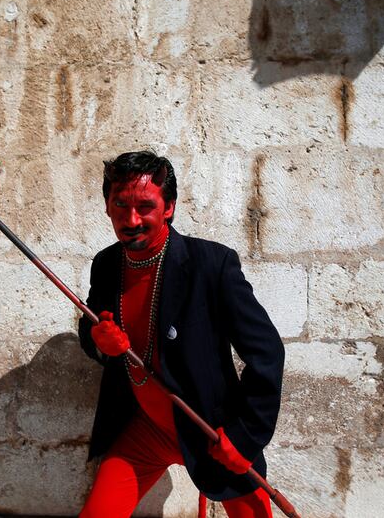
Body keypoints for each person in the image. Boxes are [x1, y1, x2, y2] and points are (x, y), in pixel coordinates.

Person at [78, 151, 284, 517]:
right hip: (144, 431)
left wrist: (246, 436)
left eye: (145, 206)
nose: (131, 219)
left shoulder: (212, 264)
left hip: (213, 431)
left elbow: (267, 352)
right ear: (107, 206)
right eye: (120, 205)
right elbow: (91, 325)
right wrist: (99, 340)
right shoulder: (107, 264)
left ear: (169, 207)